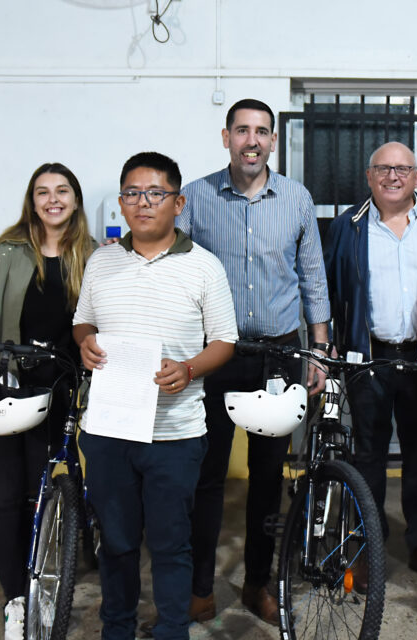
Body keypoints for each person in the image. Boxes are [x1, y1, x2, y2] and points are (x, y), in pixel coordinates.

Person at [176, 98, 330, 624]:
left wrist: (317, 350)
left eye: (262, 132)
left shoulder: (297, 199)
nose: (252, 141)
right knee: (207, 473)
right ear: (226, 138)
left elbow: (312, 278)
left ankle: (257, 582)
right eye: (242, 130)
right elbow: (178, 277)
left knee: (268, 476)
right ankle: (200, 586)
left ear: (273, 142)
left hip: (279, 355)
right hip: (216, 354)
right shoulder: (193, 198)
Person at [74, 152, 238, 640]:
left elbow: (224, 341)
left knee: (170, 543)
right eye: (132, 194)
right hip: (109, 429)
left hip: (175, 431)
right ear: (121, 204)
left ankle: (172, 629)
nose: (143, 203)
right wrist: (84, 340)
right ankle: (117, 628)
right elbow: (84, 319)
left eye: (155, 193)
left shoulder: (205, 267)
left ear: (178, 202)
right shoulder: (101, 261)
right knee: (117, 542)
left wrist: (188, 369)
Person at [0, 162, 96, 640]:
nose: (52, 200)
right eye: (42, 192)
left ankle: (39, 584)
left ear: (74, 199)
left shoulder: (92, 256)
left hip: (56, 396)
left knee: (39, 499)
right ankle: (16, 598)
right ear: (31, 202)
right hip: (1, 390)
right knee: (3, 500)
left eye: (61, 191)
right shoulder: (6, 253)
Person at [323, 141, 417, 592]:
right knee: (369, 457)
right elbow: (328, 287)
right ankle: (367, 547)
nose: (392, 177)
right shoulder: (349, 226)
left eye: (402, 169)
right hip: (369, 355)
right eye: (382, 169)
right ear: (368, 177)